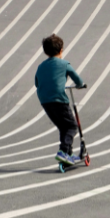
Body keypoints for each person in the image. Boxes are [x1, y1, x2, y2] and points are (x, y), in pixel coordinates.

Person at [35, 33, 87, 165]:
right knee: (72, 126)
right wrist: (80, 85)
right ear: (61, 50)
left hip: (45, 101)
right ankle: (63, 151)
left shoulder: (41, 66)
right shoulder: (64, 64)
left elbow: (37, 82)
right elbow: (77, 79)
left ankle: (68, 154)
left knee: (63, 127)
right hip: (59, 99)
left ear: (46, 52)